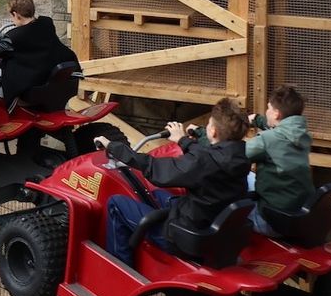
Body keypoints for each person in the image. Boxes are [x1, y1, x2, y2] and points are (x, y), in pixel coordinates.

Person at [96, 99, 250, 267]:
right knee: (157, 194)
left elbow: (154, 168)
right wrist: (183, 140)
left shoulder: (202, 163)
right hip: (213, 227)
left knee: (116, 204)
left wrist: (113, 147)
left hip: (186, 237)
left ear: (213, 131)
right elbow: (207, 156)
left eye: (208, 124)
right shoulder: (240, 156)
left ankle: (120, 269)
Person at [0, 0, 76, 123]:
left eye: (12, 16)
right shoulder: (47, 24)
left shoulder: (15, 37)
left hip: (29, 87)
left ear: (16, 14)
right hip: (47, 79)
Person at [244, 85, 314, 234]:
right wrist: (257, 120)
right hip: (298, 216)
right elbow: (282, 131)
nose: (266, 111)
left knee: (227, 201)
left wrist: (203, 136)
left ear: (276, 113)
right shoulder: (302, 135)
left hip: (270, 220)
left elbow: (231, 156)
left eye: (268, 108)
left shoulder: (267, 140)